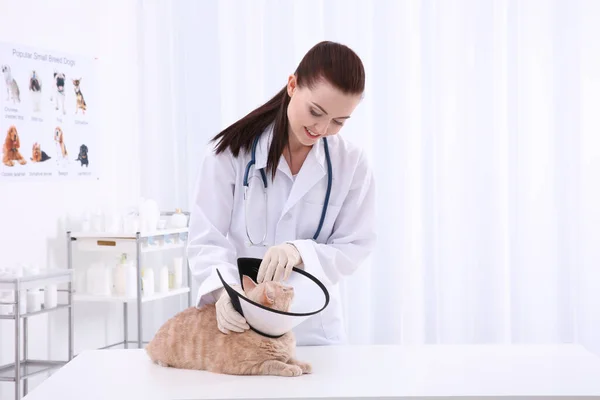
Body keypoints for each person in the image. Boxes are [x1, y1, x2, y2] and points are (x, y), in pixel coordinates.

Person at [187, 40, 376, 346]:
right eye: (316, 111)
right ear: (292, 85)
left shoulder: (351, 164)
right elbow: (206, 238)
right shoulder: (231, 154)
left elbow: (355, 245)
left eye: (339, 121)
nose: (322, 128)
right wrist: (225, 294)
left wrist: (300, 251)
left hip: (315, 333)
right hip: (243, 325)